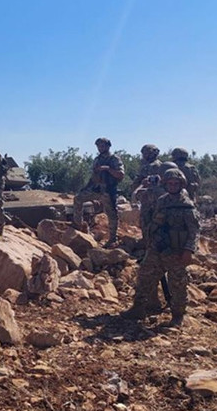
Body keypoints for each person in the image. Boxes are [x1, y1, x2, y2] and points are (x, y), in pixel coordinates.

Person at [122, 168, 200, 328]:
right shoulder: (162, 201)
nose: (172, 186)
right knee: (145, 275)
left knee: (178, 284)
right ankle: (138, 309)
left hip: (177, 251)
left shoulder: (186, 204)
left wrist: (189, 250)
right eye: (169, 183)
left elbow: (194, 231)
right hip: (158, 248)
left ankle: (177, 316)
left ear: (181, 184)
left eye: (175, 183)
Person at [72, 137, 125, 247]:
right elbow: (93, 177)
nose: (100, 148)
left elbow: (120, 175)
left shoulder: (114, 159)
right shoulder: (97, 160)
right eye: (98, 146)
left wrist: (108, 169)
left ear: (108, 146)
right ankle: (78, 225)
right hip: (96, 189)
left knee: (112, 214)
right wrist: (86, 187)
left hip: (108, 190)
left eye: (102, 146)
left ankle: (112, 238)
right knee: (78, 199)